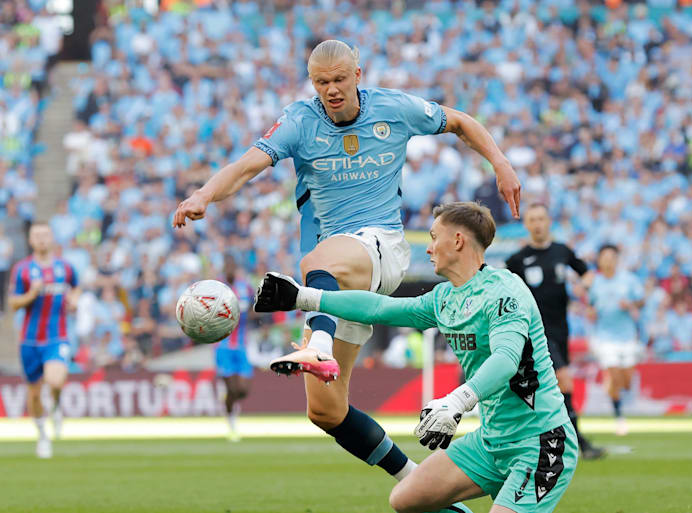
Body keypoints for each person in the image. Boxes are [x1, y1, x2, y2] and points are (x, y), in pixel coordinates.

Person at [173, 40, 520, 512]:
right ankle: (428, 492)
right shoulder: (299, 120)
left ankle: (317, 344)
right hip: (340, 286)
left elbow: (459, 121)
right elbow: (246, 166)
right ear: (312, 82)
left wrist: (498, 161)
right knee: (326, 411)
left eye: (340, 79)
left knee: (315, 265)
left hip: (380, 248)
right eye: (321, 82)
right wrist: (204, 195)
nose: (332, 90)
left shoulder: (393, 108)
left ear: (358, 73)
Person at [257, 202, 577, 513]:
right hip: (491, 442)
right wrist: (305, 297)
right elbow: (379, 308)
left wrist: (456, 402)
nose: (428, 248)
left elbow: (507, 360)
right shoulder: (444, 298)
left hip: (540, 442)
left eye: (434, 237)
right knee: (406, 499)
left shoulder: (505, 291)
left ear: (458, 240)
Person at [505, 203, 604, 459]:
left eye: (541, 219)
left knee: (551, 388)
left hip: (561, 329)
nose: (537, 224)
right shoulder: (517, 260)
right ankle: (578, 442)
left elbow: (588, 273)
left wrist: (584, 288)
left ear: (549, 222)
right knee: (564, 379)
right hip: (534, 331)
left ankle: (554, 440)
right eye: (532, 219)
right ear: (526, 225)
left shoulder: (562, 251)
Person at [9, 223, 80, 458]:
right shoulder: (22, 270)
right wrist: (31, 294)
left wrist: (74, 300)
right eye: (36, 235)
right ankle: (42, 436)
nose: (41, 239)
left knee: (56, 380)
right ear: (30, 240)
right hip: (29, 340)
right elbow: (13, 303)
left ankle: (57, 406)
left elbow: (76, 287)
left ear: (52, 238)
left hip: (56, 336)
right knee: (35, 393)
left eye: (45, 235)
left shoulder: (65, 267)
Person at [586, 244, 644, 436]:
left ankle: (614, 392)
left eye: (612, 257)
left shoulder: (629, 280)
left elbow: (642, 301)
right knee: (613, 373)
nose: (608, 260)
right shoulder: (595, 283)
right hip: (605, 337)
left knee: (627, 381)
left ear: (617, 259)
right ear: (600, 260)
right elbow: (590, 306)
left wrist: (631, 304)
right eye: (605, 257)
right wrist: (591, 312)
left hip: (627, 336)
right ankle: (619, 417)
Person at [215, 257, 255, 442]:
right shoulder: (217, 289)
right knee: (232, 388)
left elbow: (256, 307)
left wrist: (249, 311)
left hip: (242, 346)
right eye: (227, 266)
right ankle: (231, 424)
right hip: (223, 347)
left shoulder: (244, 287)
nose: (230, 269)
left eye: (232, 266)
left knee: (243, 391)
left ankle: (228, 402)